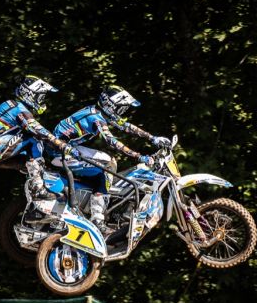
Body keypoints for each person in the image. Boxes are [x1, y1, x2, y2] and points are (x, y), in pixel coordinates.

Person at [49, 84, 171, 232]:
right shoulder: (96, 117)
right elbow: (112, 141)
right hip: (60, 153)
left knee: (109, 160)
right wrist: (139, 156)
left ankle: (91, 193)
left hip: (65, 148)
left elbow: (126, 126)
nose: (122, 112)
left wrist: (152, 138)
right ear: (111, 105)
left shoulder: (98, 112)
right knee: (105, 171)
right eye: (121, 108)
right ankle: (97, 218)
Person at [0, 75, 79, 200]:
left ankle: (35, 191)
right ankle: (38, 189)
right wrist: (61, 144)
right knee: (35, 138)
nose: (42, 101)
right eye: (41, 97)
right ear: (30, 94)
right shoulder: (19, 108)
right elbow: (38, 130)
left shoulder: (13, 105)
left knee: (32, 162)